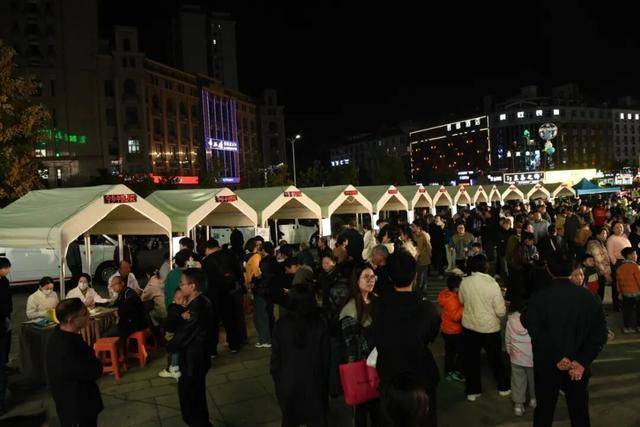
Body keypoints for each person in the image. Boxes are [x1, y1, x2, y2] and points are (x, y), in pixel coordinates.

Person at [522, 254, 608, 427]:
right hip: (578, 367)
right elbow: (600, 333)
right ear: (571, 270)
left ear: (549, 270)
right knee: (579, 411)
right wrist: (582, 361)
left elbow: (534, 329)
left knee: (544, 410)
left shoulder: (539, 297)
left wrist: (557, 357)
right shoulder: (589, 297)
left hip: (547, 365)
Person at [374, 250, 441, 427]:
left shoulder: (378, 307)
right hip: (420, 376)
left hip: (389, 374)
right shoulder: (427, 308)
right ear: (415, 276)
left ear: (389, 277)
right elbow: (431, 335)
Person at [271, 283, 329, 427]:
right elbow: (326, 357)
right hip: (314, 380)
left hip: (288, 380)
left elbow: (276, 357)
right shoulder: (319, 323)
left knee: (290, 419)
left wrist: (277, 377)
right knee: (316, 419)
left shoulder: (281, 324)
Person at [458, 255, 510, 401]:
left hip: (469, 326)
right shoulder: (492, 284)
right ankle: (503, 387)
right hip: (489, 328)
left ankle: (472, 391)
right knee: (496, 360)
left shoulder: (465, 282)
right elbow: (500, 311)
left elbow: (461, 300)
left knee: (471, 360)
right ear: (485, 266)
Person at [45, 298, 103, 426]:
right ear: (71, 320)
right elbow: (92, 371)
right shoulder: (67, 347)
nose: (89, 315)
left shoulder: (59, 335)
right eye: (85, 313)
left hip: (78, 404)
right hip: (77, 408)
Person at [169, 268, 215, 427]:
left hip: (192, 359)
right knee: (195, 396)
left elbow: (183, 335)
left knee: (191, 399)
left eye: (182, 283)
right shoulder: (200, 302)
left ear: (193, 286)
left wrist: (170, 345)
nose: (180, 286)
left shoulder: (197, 307)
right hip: (198, 357)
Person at [339, 264, 379, 427]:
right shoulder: (350, 309)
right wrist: (354, 373)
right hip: (362, 366)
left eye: (373, 277)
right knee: (361, 410)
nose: (370, 280)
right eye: (366, 277)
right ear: (356, 281)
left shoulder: (376, 300)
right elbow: (351, 345)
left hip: (378, 364)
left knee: (378, 410)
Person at [201, 239, 245, 355]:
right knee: (230, 320)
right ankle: (234, 345)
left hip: (213, 295)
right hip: (229, 292)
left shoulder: (206, 261)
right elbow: (239, 272)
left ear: (207, 249)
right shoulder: (230, 255)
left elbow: (204, 281)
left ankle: (212, 351)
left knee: (213, 323)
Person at [318, 254, 350, 397]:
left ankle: (336, 387)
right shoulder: (325, 276)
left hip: (334, 321)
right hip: (330, 320)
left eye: (327, 262)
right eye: (323, 263)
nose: (324, 265)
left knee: (336, 354)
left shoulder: (338, 279)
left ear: (334, 263)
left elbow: (337, 303)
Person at [505, 299, 536, 417]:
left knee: (517, 381)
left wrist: (510, 352)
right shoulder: (533, 319)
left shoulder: (510, 321)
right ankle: (533, 399)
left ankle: (518, 405)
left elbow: (507, 339)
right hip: (531, 357)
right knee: (534, 380)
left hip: (516, 357)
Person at [437, 275, 464, 383]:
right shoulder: (452, 300)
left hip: (446, 329)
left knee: (450, 352)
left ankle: (449, 372)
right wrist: (463, 307)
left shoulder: (446, 294)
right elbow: (455, 317)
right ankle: (454, 372)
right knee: (459, 352)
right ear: (456, 288)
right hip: (453, 331)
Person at [106, 276, 148, 344]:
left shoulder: (128, 293)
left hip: (135, 324)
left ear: (122, 283)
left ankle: (121, 349)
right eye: (112, 285)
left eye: (115, 284)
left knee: (106, 334)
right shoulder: (122, 293)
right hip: (131, 323)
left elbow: (128, 308)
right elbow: (116, 303)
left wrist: (118, 312)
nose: (113, 287)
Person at [158, 289, 188, 380]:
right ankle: (171, 369)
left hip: (178, 333)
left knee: (176, 351)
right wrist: (182, 313)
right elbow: (174, 313)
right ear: (174, 299)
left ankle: (173, 367)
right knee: (173, 351)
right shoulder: (173, 307)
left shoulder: (184, 308)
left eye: (183, 298)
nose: (181, 300)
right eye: (178, 298)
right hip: (170, 334)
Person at [608, 222, 632, 311]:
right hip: (618, 263)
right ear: (613, 229)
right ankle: (617, 305)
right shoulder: (611, 239)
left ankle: (625, 303)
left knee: (626, 284)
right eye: (617, 227)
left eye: (621, 227)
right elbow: (610, 253)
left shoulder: (624, 237)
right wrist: (616, 264)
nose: (619, 229)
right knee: (617, 285)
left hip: (627, 262)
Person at [616, 247, 640, 333]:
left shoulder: (620, 267)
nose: (636, 255)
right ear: (629, 255)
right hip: (636, 293)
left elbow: (618, 281)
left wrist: (620, 292)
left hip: (625, 293)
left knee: (627, 311)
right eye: (635, 254)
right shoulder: (635, 267)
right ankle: (638, 326)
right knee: (638, 310)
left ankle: (627, 327)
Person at [586, 226, 613, 302]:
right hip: (595, 272)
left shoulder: (600, 243)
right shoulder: (594, 244)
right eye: (603, 233)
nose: (605, 235)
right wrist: (605, 273)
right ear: (597, 235)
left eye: (606, 233)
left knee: (599, 292)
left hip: (599, 272)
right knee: (596, 293)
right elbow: (597, 260)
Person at [0, 258, 12, 414]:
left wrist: (7, 316)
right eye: (7, 268)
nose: (8, 270)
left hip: (4, 322)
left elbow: (8, 301)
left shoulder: (4, 281)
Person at [411, 220, 432, 294]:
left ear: (418, 227)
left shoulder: (424, 235)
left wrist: (429, 255)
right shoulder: (413, 235)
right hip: (416, 257)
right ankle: (418, 290)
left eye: (413, 226)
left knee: (423, 275)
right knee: (418, 275)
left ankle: (423, 290)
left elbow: (428, 246)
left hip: (424, 257)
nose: (412, 228)